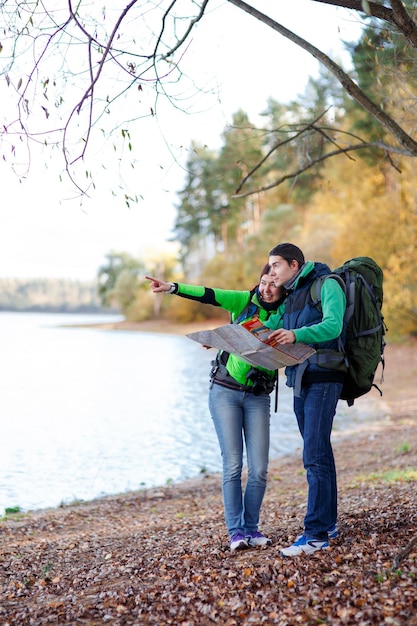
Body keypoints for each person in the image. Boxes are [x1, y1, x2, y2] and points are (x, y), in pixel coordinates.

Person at [145, 266, 284, 551]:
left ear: (283, 286)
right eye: (262, 282)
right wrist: (171, 287)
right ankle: (236, 533)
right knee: (233, 465)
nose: (266, 288)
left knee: (258, 469)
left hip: (258, 396)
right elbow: (208, 294)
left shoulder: (288, 312)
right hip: (225, 394)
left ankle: (252, 529)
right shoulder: (243, 301)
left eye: (273, 283)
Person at [264, 243, 347, 557]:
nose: (271, 272)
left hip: (326, 376)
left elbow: (333, 324)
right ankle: (328, 523)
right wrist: (229, 339)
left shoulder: (328, 285)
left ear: (294, 264)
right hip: (300, 380)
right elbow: (268, 329)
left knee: (313, 454)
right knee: (319, 452)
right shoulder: (292, 296)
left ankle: (316, 534)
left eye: (276, 266)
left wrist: (296, 335)